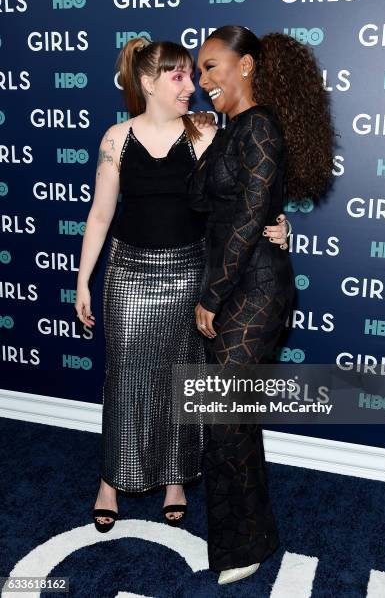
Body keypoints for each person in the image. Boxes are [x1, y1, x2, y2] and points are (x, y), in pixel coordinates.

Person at [74, 37, 288, 531]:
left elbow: (249, 188)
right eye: (179, 77)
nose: (192, 86)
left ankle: (174, 477)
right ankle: (112, 479)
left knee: (182, 379)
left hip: (191, 273)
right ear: (148, 83)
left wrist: (280, 224)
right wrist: (83, 280)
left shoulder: (205, 131)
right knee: (126, 379)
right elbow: (101, 213)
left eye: (194, 74)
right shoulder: (115, 138)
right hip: (128, 274)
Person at [190, 26, 335, 584]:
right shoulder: (230, 130)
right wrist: (204, 144)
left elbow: (251, 218)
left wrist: (211, 295)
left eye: (211, 67)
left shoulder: (262, 126)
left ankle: (248, 543)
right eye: (199, 71)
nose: (203, 82)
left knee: (228, 419)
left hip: (253, 289)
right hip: (231, 282)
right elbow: (203, 199)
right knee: (226, 417)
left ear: (246, 65)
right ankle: (244, 533)